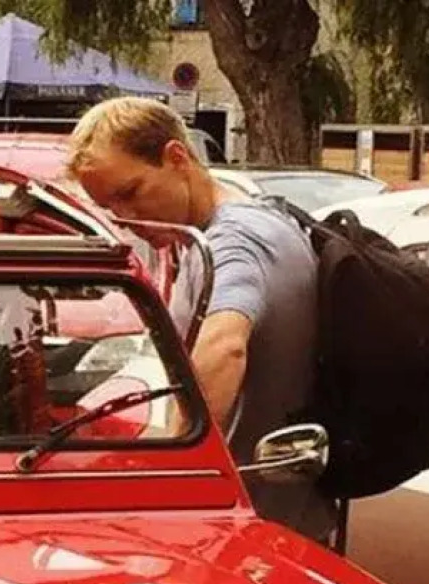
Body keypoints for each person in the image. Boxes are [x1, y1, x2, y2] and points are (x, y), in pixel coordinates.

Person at [66, 97, 339, 547]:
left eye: (130, 192)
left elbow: (225, 346)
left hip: (255, 532)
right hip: (273, 523)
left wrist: (178, 471)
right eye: (111, 205)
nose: (127, 218)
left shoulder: (234, 242)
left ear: (176, 158)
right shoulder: (255, 222)